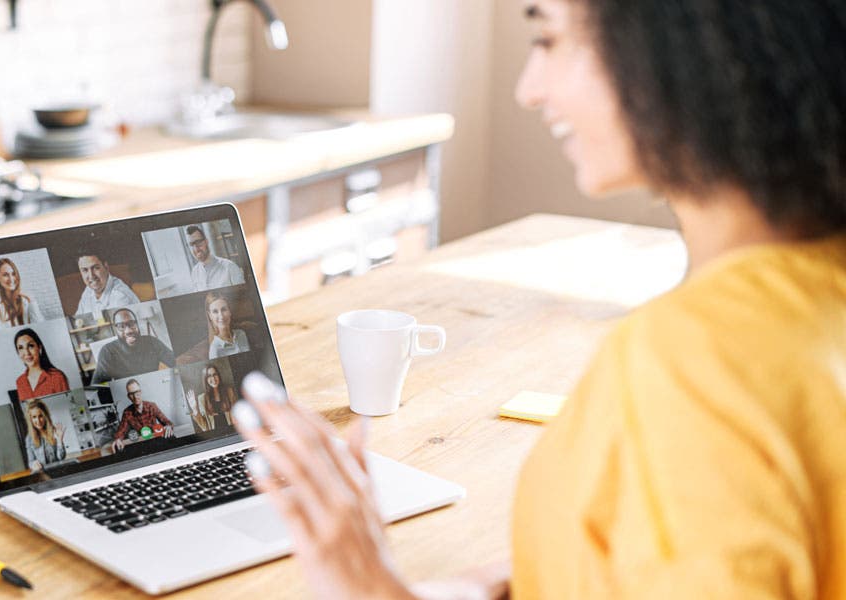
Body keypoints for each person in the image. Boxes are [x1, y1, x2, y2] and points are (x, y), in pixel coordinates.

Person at [231, 1, 846, 598]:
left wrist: (369, 588)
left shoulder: (695, 361)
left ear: (678, 46)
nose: (529, 88)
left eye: (548, 38)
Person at [91, 307, 175, 383]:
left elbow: (175, 361)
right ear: (116, 329)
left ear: (137, 324)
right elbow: (98, 385)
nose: (128, 331)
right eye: (121, 326)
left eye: (132, 324)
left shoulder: (152, 341)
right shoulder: (107, 351)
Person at [111, 379, 174, 452]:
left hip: (157, 440)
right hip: (142, 444)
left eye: (137, 392)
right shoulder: (127, 412)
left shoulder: (152, 406)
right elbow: (121, 431)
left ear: (140, 392)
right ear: (128, 396)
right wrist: (118, 439)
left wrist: (169, 426)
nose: (135, 396)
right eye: (131, 394)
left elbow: (167, 422)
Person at [0, 258, 45, 330]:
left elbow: (41, 327)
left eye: (13, 274)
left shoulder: (27, 298)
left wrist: (31, 301)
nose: (11, 279)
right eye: (5, 275)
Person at [74, 250, 140, 316]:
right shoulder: (88, 291)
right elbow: (78, 321)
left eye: (95, 268)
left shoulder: (120, 296)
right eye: (85, 270)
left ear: (106, 267)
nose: (91, 276)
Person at [13, 328, 69, 401]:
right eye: (21, 348)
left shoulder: (57, 377)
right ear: (18, 353)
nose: (26, 353)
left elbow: (66, 403)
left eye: (30, 346)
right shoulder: (20, 382)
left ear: (39, 348)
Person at [186, 225, 244, 291]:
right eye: (191, 244)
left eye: (198, 242)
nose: (196, 249)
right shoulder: (194, 272)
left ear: (206, 241)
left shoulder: (230, 267)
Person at [24, 399, 67, 473]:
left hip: (57, 472)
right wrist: (33, 464)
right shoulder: (29, 438)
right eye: (34, 417)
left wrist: (60, 440)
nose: (38, 421)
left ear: (45, 416)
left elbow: (61, 457)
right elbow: (30, 462)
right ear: (30, 419)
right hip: (42, 475)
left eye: (40, 416)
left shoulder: (54, 431)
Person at [204, 291, 249, 359]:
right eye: (215, 311)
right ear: (210, 316)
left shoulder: (241, 334)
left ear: (229, 311)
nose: (221, 316)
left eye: (224, 309)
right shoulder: (215, 350)